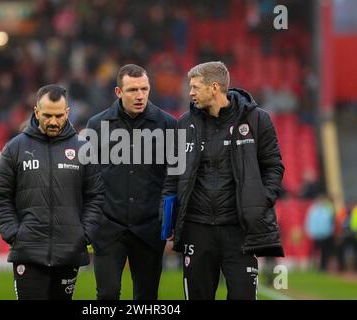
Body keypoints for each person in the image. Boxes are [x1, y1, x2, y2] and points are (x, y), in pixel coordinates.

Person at [162, 61, 285, 300]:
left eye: (196, 87)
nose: (190, 93)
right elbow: (172, 176)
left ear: (214, 87)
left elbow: (274, 166)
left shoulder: (257, 120)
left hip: (239, 230)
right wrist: (168, 218)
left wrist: (262, 200)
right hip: (197, 229)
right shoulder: (184, 124)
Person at [0, 84, 104, 300]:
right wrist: (14, 234)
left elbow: (95, 197)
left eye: (59, 115)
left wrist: (83, 234)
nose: (53, 121)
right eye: (47, 115)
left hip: (69, 251)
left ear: (68, 113)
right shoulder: (14, 148)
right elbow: (0, 196)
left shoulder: (83, 149)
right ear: (36, 112)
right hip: (28, 252)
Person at [86, 64, 177, 300]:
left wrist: (170, 221)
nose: (140, 96)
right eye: (133, 90)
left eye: (144, 89)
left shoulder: (168, 125)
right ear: (118, 92)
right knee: (107, 295)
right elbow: (88, 178)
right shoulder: (97, 126)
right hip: (108, 228)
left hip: (149, 229)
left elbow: (174, 177)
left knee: (146, 297)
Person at [305, 194, 336, 271]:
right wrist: (310, 232)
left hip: (326, 234)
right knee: (315, 252)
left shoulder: (327, 209)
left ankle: (323, 266)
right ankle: (314, 266)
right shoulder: (313, 209)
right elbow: (309, 222)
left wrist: (330, 231)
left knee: (325, 252)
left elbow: (331, 221)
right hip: (316, 234)